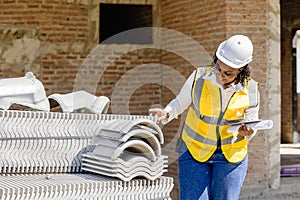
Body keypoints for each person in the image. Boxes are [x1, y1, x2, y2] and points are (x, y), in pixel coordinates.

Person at [149, 35, 260, 200]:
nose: (221, 75)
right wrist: (166, 113)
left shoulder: (251, 89)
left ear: (241, 69)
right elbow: (180, 102)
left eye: (228, 73)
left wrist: (248, 132)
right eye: (218, 68)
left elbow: (252, 123)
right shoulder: (198, 77)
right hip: (194, 150)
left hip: (231, 156)